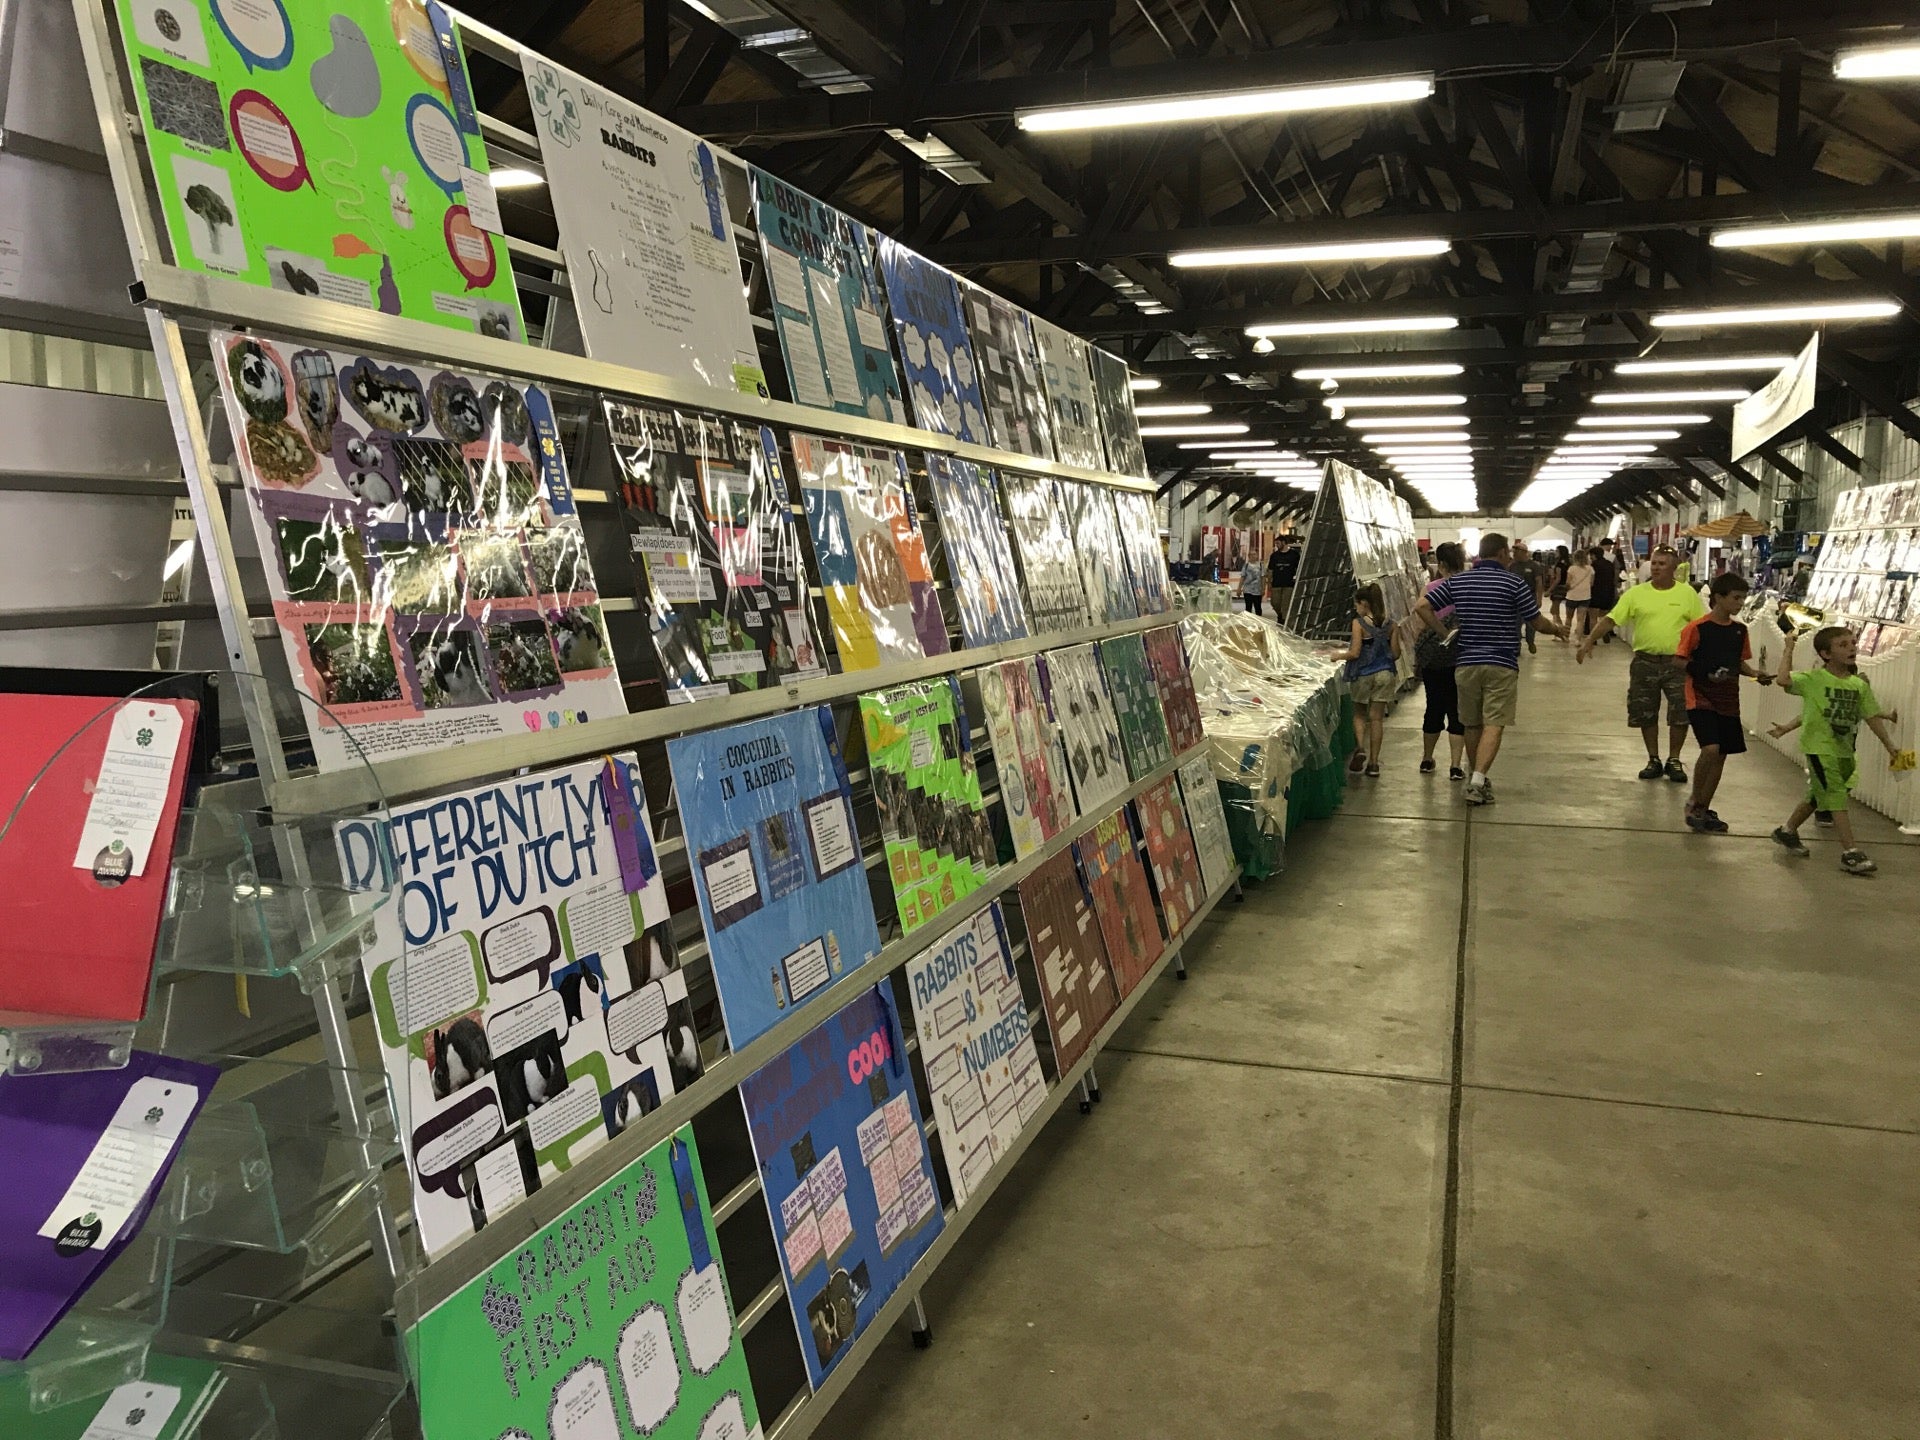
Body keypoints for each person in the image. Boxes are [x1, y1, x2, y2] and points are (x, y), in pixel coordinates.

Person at [1415, 532, 1568, 805]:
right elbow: (1536, 622)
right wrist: (1557, 629)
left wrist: (1445, 633)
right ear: (1500, 553)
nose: (1510, 556)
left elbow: (1422, 606)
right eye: (1508, 552)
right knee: (1494, 723)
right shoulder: (1514, 583)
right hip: (1502, 663)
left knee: (1471, 723)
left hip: (1466, 663)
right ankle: (1477, 780)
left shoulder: (1458, 581)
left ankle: (1478, 779)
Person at [1769, 625, 1907, 874]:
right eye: (1843, 645)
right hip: (1819, 748)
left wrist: (1890, 746)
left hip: (1844, 751)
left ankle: (1786, 831)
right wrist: (1789, 649)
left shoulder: (1858, 685)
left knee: (1817, 795)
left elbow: (1871, 716)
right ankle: (1850, 852)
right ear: (1825, 654)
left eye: (1853, 643)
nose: (1852, 648)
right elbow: (1783, 680)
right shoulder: (1813, 679)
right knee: (1834, 796)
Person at [1576, 544, 1706, 782]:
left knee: (1680, 713)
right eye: (1654, 563)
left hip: (1677, 664)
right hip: (1645, 663)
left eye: (1661, 564)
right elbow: (1610, 620)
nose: (1656, 568)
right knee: (1645, 712)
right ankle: (1653, 759)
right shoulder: (1636, 594)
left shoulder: (1687, 594)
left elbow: (1701, 628)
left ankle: (1674, 759)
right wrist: (1588, 640)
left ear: (1674, 568)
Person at [1673, 573, 1773, 833]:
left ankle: (1703, 808)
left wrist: (1754, 675)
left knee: (1721, 755)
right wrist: (1704, 672)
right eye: (1736, 598)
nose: (1740, 603)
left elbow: (1738, 663)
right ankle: (1694, 799)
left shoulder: (1740, 630)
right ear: (1718, 598)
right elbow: (1679, 660)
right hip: (1700, 697)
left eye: (1743, 598)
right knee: (1710, 749)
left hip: (1729, 699)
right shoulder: (1697, 628)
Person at [1417, 541, 1467, 780]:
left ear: (1442, 563)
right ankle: (1456, 765)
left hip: (1433, 657)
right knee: (1458, 710)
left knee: (1434, 706)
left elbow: (1420, 621)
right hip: (1461, 655)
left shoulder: (1431, 588)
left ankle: (1427, 759)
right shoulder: (1468, 586)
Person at [1342, 581, 1401, 778]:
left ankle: (1360, 747)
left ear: (1364, 603)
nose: (1355, 608)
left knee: (1359, 714)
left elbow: (1355, 652)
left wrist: (1336, 655)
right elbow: (1395, 654)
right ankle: (1374, 764)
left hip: (1363, 674)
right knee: (1377, 719)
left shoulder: (1359, 624)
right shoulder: (1392, 625)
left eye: (1357, 604)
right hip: (1385, 673)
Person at [1511, 541, 1544, 655]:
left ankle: (1530, 641)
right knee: (1515, 623)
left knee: (1531, 622)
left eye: (1517, 551)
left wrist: (1539, 598)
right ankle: (1516, 646)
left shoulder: (1534, 566)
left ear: (1524, 552)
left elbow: (1539, 582)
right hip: (1515, 598)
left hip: (1530, 597)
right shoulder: (1512, 565)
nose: (1514, 553)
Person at [1564, 548, 1596, 644]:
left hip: (1572, 596)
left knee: (1568, 617)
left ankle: (1566, 636)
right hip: (1585, 596)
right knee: (1580, 619)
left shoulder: (1571, 568)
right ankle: (1578, 639)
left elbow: (1568, 583)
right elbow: (1592, 583)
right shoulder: (1590, 569)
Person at [1268, 535, 1300, 624]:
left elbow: (1299, 568)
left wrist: (1297, 578)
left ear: (1284, 543)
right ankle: (1280, 614)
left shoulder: (1294, 555)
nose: (1276, 545)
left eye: (1278, 543)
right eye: (1275, 543)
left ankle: (1284, 622)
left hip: (1289, 584)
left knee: (1285, 604)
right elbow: (1270, 569)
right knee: (1275, 603)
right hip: (1276, 583)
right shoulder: (1274, 556)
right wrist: (1269, 582)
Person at [1548, 546, 1571, 635]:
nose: (1555, 552)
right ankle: (1560, 629)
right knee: (1553, 610)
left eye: (1557, 551)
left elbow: (1558, 579)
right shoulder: (1569, 564)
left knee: (1555, 611)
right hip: (1565, 587)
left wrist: (1549, 590)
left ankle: (1561, 631)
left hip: (1558, 589)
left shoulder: (1558, 565)